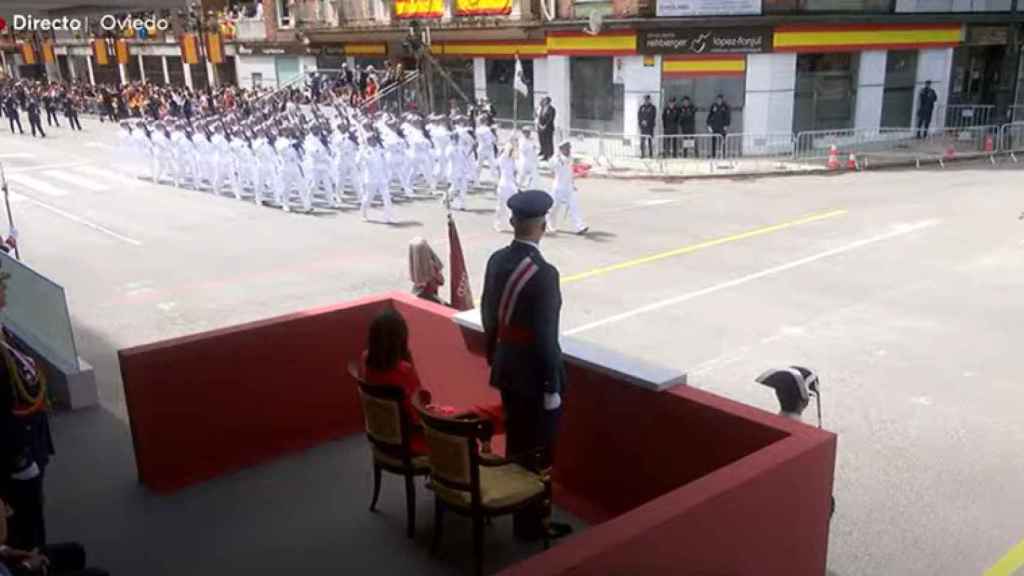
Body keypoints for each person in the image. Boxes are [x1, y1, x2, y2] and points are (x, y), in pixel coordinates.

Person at [480, 189, 572, 542]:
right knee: (540, 451)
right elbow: (547, 336)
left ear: (515, 222)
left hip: (506, 367)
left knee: (517, 444)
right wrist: (551, 386)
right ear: (542, 225)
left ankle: (520, 515)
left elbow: (490, 314)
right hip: (536, 377)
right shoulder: (544, 273)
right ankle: (533, 523)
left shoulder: (495, 260)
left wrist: (495, 355)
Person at [0, 262, 55, 553]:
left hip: (32, 439)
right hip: (17, 454)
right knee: (25, 523)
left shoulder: (3, 331)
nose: (4, 287)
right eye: (0, 283)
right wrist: (19, 459)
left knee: (36, 515)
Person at [361, 310, 429, 456]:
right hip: (409, 442)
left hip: (381, 436)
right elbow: (417, 412)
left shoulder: (366, 359)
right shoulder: (404, 371)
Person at [549, 141, 588, 235]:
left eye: (569, 148)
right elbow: (552, 168)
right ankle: (549, 224)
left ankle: (580, 227)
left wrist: (573, 183)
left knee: (574, 206)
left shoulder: (570, 158)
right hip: (558, 188)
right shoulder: (556, 159)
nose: (569, 150)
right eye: (567, 148)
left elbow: (570, 173)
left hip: (569, 187)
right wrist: (556, 158)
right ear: (562, 149)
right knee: (554, 208)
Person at [408, 237, 445, 305]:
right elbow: (441, 281)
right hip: (428, 298)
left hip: (424, 297)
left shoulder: (416, 273)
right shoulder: (434, 267)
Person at [494, 140, 518, 233]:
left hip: (511, 185)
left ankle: (512, 224)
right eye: (510, 150)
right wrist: (509, 145)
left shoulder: (513, 161)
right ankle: (498, 223)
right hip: (503, 185)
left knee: (513, 207)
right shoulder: (502, 159)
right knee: (501, 206)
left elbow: (515, 172)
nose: (512, 152)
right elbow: (505, 153)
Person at [706, 94, 731, 158]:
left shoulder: (725, 106)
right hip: (715, 126)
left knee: (722, 141)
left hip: (722, 127)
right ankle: (713, 155)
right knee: (714, 141)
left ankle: (723, 154)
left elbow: (728, 116)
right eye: (717, 99)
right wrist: (708, 125)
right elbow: (710, 115)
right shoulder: (714, 106)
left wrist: (726, 125)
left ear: (722, 100)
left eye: (720, 99)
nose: (718, 100)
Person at [536, 97, 556, 161]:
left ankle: (550, 154)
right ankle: (545, 154)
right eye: (544, 101)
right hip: (541, 127)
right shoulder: (542, 108)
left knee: (549, 142)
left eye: (546, 101)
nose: (544, 102)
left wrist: (545, 126)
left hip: (548, 128)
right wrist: (540, 125)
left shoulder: (552, 109)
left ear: (549, 102)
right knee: (543, 141)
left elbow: (550, 119)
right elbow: (540, 117)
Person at [638, 95, 656, 159]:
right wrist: (641, 122)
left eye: (647, 99)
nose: (646, 101)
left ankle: (651, 154)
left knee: (650, 141)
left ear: (649, 100)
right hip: (643, 127)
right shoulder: (641, 107)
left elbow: (652, 116)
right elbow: (639, 116)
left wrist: (647, 122)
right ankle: (642, 154)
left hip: (650, 127)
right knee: (642, 141)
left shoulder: (652, 107)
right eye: (645, 99)